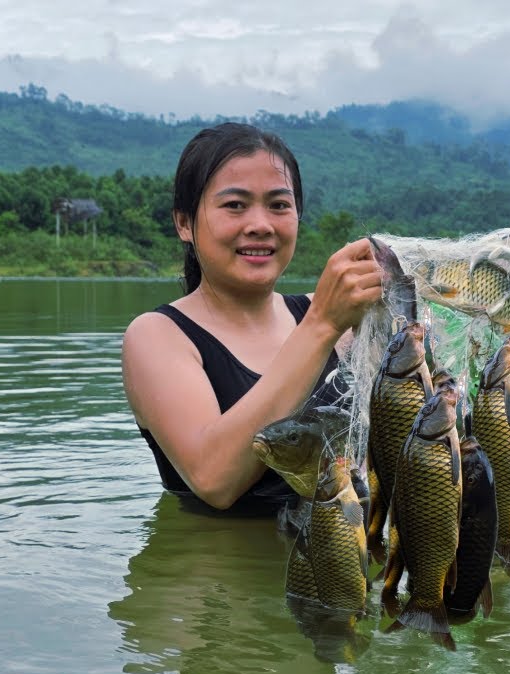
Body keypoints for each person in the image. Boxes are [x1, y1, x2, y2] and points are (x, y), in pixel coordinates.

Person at [121, 122, 384, 514]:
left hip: (348, 565)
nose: (260, 225)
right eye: (235, 205)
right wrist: (322, 325)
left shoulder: (339, 320)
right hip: (221, 573)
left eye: (279, 205)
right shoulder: (158, 336)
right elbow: (213, 479)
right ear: (184, 223)